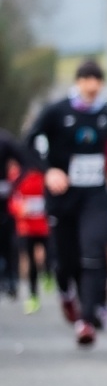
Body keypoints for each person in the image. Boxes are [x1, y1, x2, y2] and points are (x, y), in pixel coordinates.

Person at [27, 60, 107, 346]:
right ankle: (66, 293)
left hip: (95, 196)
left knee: (94, 250)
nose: (92, 86)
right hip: (63, 198)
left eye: (97, 80)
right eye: (87, 79)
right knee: (65, 260)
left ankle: (86, 320)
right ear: (78, 82)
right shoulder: (56, 111)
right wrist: (48, 170)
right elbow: (29, 142)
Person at [0, 128, 35, 300]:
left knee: (9, 240)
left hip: (4, 201)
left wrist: (13, 185)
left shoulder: (5, 140)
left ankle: (11, 278)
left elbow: (25, 162)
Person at [10, 164, 50, 312]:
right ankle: (33, 295)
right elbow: (12, 200)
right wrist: (20, 208)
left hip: (45, 227)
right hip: (26, 228)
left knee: (49, 255)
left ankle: (48, 273)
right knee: (31, 261)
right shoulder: (18, 176)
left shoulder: (46, 175)